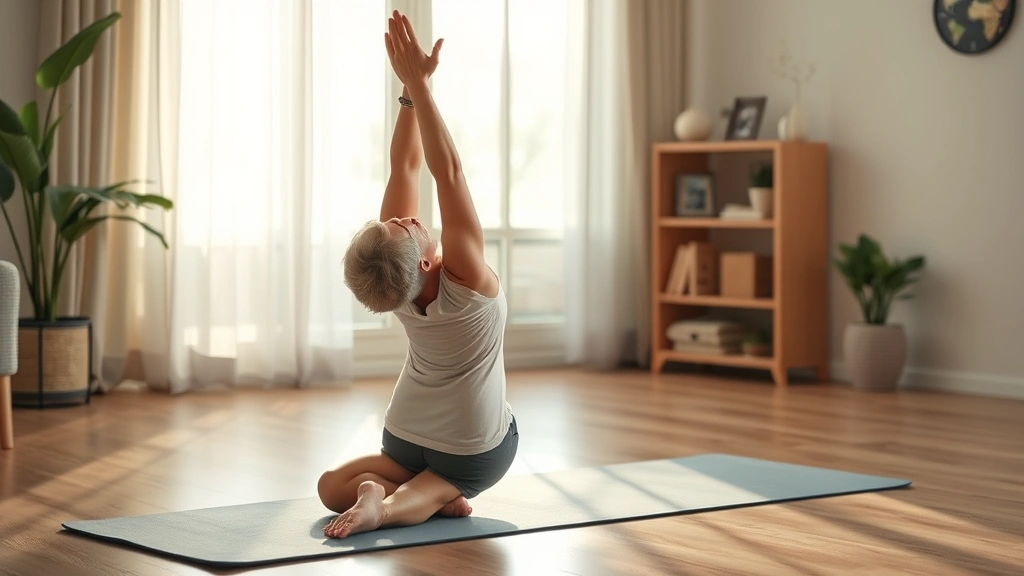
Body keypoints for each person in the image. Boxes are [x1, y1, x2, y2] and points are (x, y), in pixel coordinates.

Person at [316, 10, 518, 539]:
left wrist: (407, 93)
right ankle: (395, 505)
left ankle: (379, 494)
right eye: (406, 227)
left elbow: (403, 168)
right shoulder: (466, 281)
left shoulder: (395, 287)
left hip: (404, 436)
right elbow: (444, 171)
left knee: (328, 486)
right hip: (474, 446)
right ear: (427, 261)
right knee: (437, 484)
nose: (407, 218)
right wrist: (423, 87)